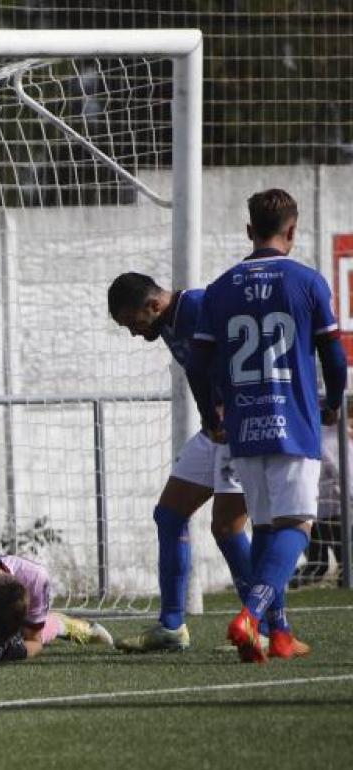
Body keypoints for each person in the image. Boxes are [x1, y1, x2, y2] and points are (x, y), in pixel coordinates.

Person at [187, 188, 346, 662]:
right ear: (292, 231)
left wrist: (208, 413)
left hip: (242, 425)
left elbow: (197, 363)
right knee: (298, 525)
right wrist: (334, 401)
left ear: (249, 230)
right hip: (293, 421)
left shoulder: (219, 288)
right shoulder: (307, 281)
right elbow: (333, 357)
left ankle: (278, 634)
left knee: (265, 528)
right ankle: (250, 616)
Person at [107, 272, 256, 653]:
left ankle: (264, 624)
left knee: (226, 527)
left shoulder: (201, 307)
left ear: (153, 306)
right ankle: (172, 626)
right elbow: (199, 371)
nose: (134, 333)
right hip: (215, 431)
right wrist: (209, 416)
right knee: (170, 515)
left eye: (133, 323)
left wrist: (231, 406)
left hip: (241, 427)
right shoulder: (172, 322)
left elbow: (241, 353)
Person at [294, 420, 349, 585]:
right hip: (327, 510)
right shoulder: (327, 438)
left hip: (322, 508)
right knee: (331, 557)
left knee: (335, 557)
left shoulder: (329, 438)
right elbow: (340, 472)